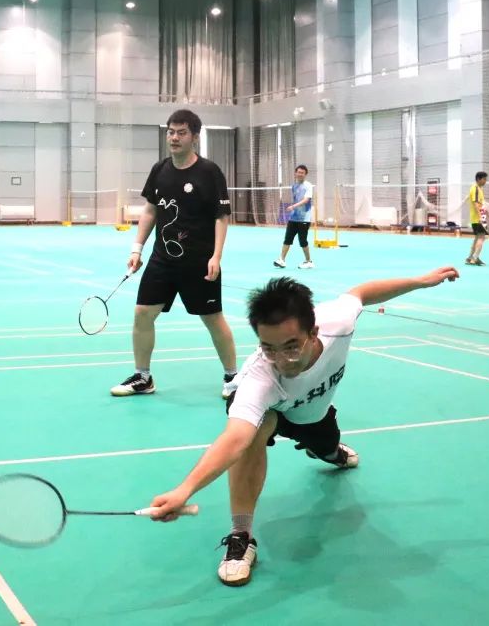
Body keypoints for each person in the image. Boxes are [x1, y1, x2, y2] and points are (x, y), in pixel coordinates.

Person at [146, 266, 460, 586]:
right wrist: (185, 489)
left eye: (291, 346)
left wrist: (421, 281)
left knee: (327, 446)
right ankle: (241, 535)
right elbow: (235, 438)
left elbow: (362, 293)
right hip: (272, 409)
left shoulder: (337, 324)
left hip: (312, 415)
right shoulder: (259, 378)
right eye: (269, 348)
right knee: (254, 432)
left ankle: (330, 452)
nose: (283, 359)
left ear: (313, 332)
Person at [111, 109, 238, 399]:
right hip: (162, 259)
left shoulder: (209, 172)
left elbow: (221, 216)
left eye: (181, 132)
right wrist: (137, 248)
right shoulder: (160, 170)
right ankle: (143, 377)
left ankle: (233, 377)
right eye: (171, 132)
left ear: (195, 137)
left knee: (212, 318)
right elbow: (150, 210)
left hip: (199, 261)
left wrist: (216, 256)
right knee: (143, 313)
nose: (174, 138)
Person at [273, 165, 314, 269]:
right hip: (293, 218)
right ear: (295, 173)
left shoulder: (308, 186)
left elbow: (306, 200)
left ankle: (309, 261)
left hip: (304, 218)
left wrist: (293, 206)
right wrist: (293, 209)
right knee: (287, 239)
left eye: (302, 173)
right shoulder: (294, 186)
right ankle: (282, 260)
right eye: (298, 172)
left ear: (305, 174)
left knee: (302, 241)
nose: (300, 174)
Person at [465, 171, 489, 265]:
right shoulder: (475, 188)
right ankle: (475, 258)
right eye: (484, 179)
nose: (485, 181)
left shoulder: (479, 189)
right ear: (478, 179)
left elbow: (481, 204)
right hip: (478, 218)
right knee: (481, 238)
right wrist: (480, 217)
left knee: (477, 238)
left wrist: (488, 213)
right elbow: (476, 203)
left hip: (479, 217)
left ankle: (470, 257)